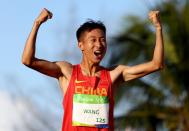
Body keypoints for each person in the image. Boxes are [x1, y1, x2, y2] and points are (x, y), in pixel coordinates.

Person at [22, 8, 164, 131]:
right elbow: (28, 60)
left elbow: (156, 64)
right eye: (93, 40)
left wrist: (158, 28)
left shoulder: (113, 74)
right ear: (81, 45)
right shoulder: (67, 72)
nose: (99, 44)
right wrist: (37, 23)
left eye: (102, 40)